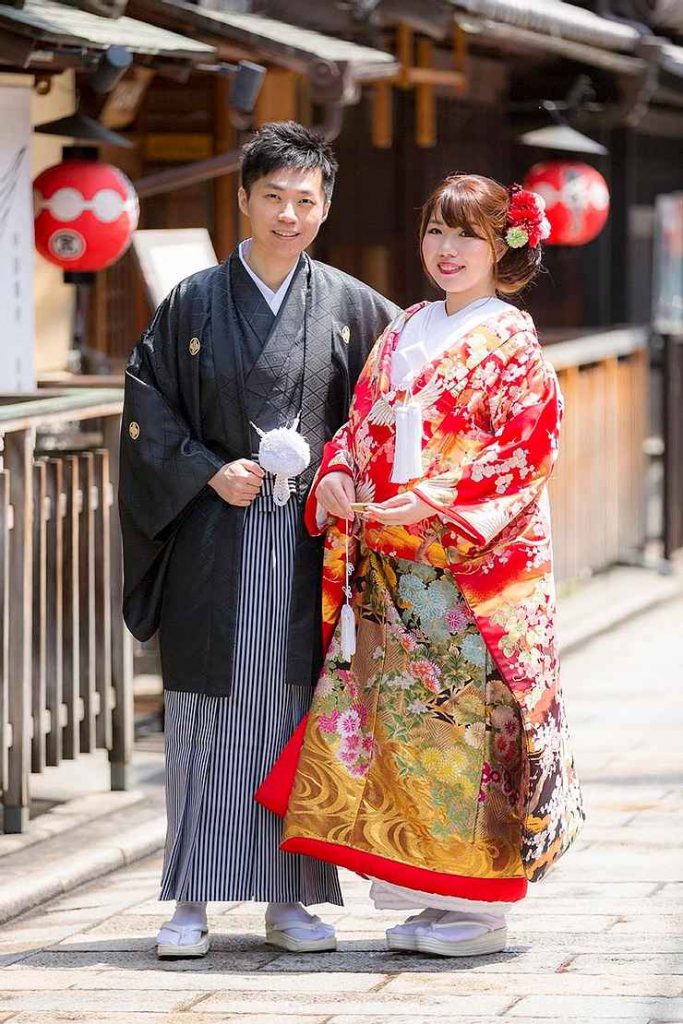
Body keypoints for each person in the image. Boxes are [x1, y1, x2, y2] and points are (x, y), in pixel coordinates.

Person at [257, 174, 584, 957]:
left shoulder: (509, 335)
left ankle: (479, 911)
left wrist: (436, 502)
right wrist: (337, 469)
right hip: (394, 574)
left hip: (467, 577)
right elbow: (361, 419)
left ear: (500, 247)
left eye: (465, 234)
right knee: (404, 734)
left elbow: (524, 450)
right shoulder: (405, 326)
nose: (446, 249)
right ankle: (434, 899)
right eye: (436, 231)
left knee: (471, 738)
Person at [119, 120, 400, 959]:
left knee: (294, 713)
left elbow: (388, 407)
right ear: (242, 199)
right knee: (205, 712)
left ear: (324, 208)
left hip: (309, 544)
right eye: (271, 197)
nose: (287, 214)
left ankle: (290, 901)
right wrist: (208, 470)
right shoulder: (194, 302)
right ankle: (190, 902)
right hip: (213, 532)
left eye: (303, 200)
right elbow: (147, 409)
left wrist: (343, 471)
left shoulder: (350, 304)